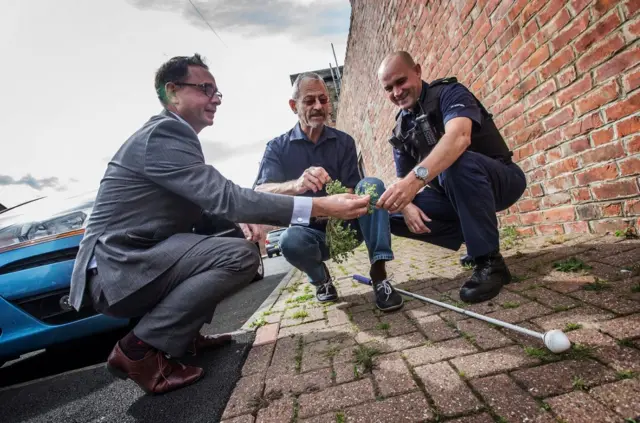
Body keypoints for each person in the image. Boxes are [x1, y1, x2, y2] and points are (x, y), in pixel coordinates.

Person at [68, 54, 371, 395]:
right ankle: (138, 349)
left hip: (137, 256)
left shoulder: (174, 137)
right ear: (173, 92)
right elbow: (226, 197)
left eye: (217, 92)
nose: (215, 98)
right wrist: (318, 205)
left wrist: (242, 217)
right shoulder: (165, 134)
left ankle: (185, 338)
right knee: (239, 256)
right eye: (205, 88)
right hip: (119, 267)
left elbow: (210, 205)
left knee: (228, 239)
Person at [372, 51, 527, 304]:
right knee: (388, 212)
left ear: (418, 71)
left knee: (456, 160)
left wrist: (413, 182)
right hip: (452, 195)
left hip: (501, 180)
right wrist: (407, 204)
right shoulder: (400, 129)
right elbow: (403, 180)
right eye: (389, 88)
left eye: (401, 82)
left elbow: (459, 137)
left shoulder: (450, 93)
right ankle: (473, 237)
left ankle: (490, 262)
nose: (397, 92)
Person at [254, 72, 404, 312]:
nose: (318, 106)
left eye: (323, 100)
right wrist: (297, 185)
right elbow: (260, 190)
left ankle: (379, 275)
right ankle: (321, 280)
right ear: (294, 106)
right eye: (309, 100)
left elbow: (354, 187)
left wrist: (334, 205)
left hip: (347, 226)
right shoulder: (277, 147)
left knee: (373, 185)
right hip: (310, 233)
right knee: (288, 240)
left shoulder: (344, 142)